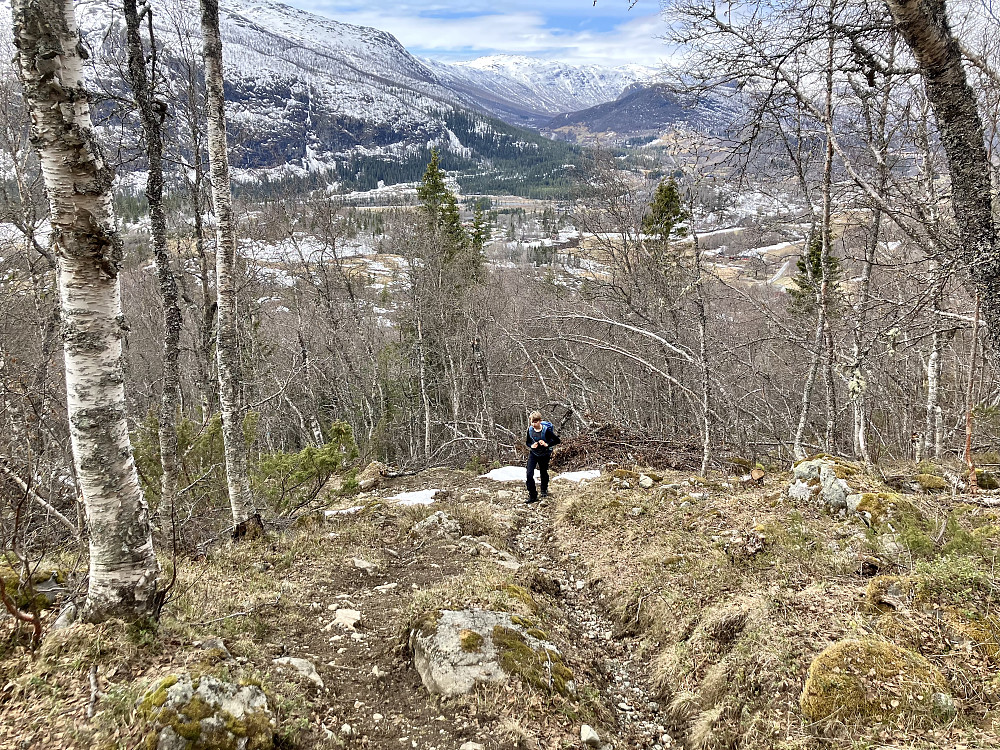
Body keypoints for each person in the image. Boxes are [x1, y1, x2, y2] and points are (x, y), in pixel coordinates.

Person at [525, 411, 560, 504]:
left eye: (535, 422)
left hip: (544, 454)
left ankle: (544, 490)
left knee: (543, 472)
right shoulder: (530, 430)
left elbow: (557, 440)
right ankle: (532, 495)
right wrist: (531, 445)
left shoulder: (546, 430)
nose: (533, 424)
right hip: (533, 453)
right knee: (529, 474)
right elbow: (527, 442)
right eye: (532, 422)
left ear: (540, 421)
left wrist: (546, 444)